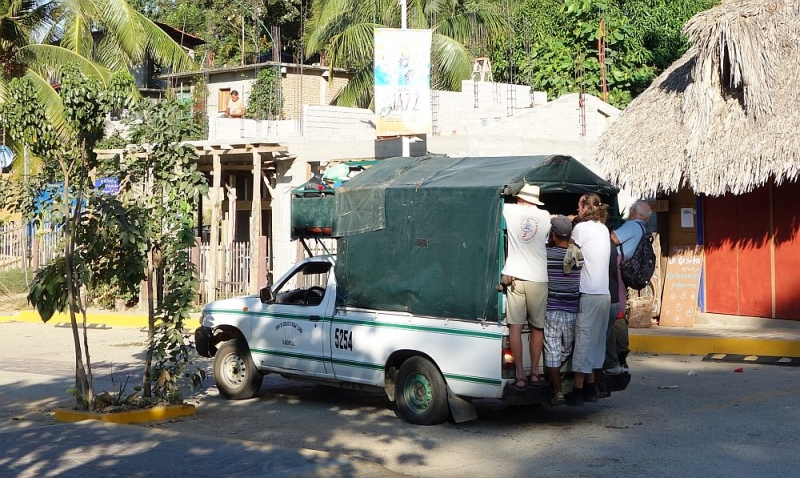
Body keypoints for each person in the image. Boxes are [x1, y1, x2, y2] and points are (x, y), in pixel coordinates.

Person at [501, 183, 551, 390]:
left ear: (521, 198)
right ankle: (535, 373)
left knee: (515, 325)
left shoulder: (509, 210)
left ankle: (520, 373)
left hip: (516, 276)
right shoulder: (545, 216)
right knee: (537, 327)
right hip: (538, 277)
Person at [565, 193, 611, 406]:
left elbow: (566, 248)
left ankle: (578, 389)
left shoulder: (581, 229)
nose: (577, 209)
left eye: (579, 206)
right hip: (604, 294)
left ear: (585, 208)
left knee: (583, 341)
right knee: (596, 342)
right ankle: (591, 386)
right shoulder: (603, 229)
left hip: (589, 294)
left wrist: (568, 222)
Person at [605, 200, 653, 375]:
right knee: (619, 309)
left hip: (617, 267)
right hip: (626, 268)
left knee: (615, 311)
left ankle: (617, 357)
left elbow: (613, 239)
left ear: (634, 212)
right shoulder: (642, 229)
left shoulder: (632, 226)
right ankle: (621, 355)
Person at [543, 215, 581, 405]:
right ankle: (557, 378)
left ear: (553, 234)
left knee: (552, 350)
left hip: (551, 310)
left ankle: (556, 390)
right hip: (572, 310)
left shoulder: (546, 254)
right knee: (566, 349)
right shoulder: (578, 255)